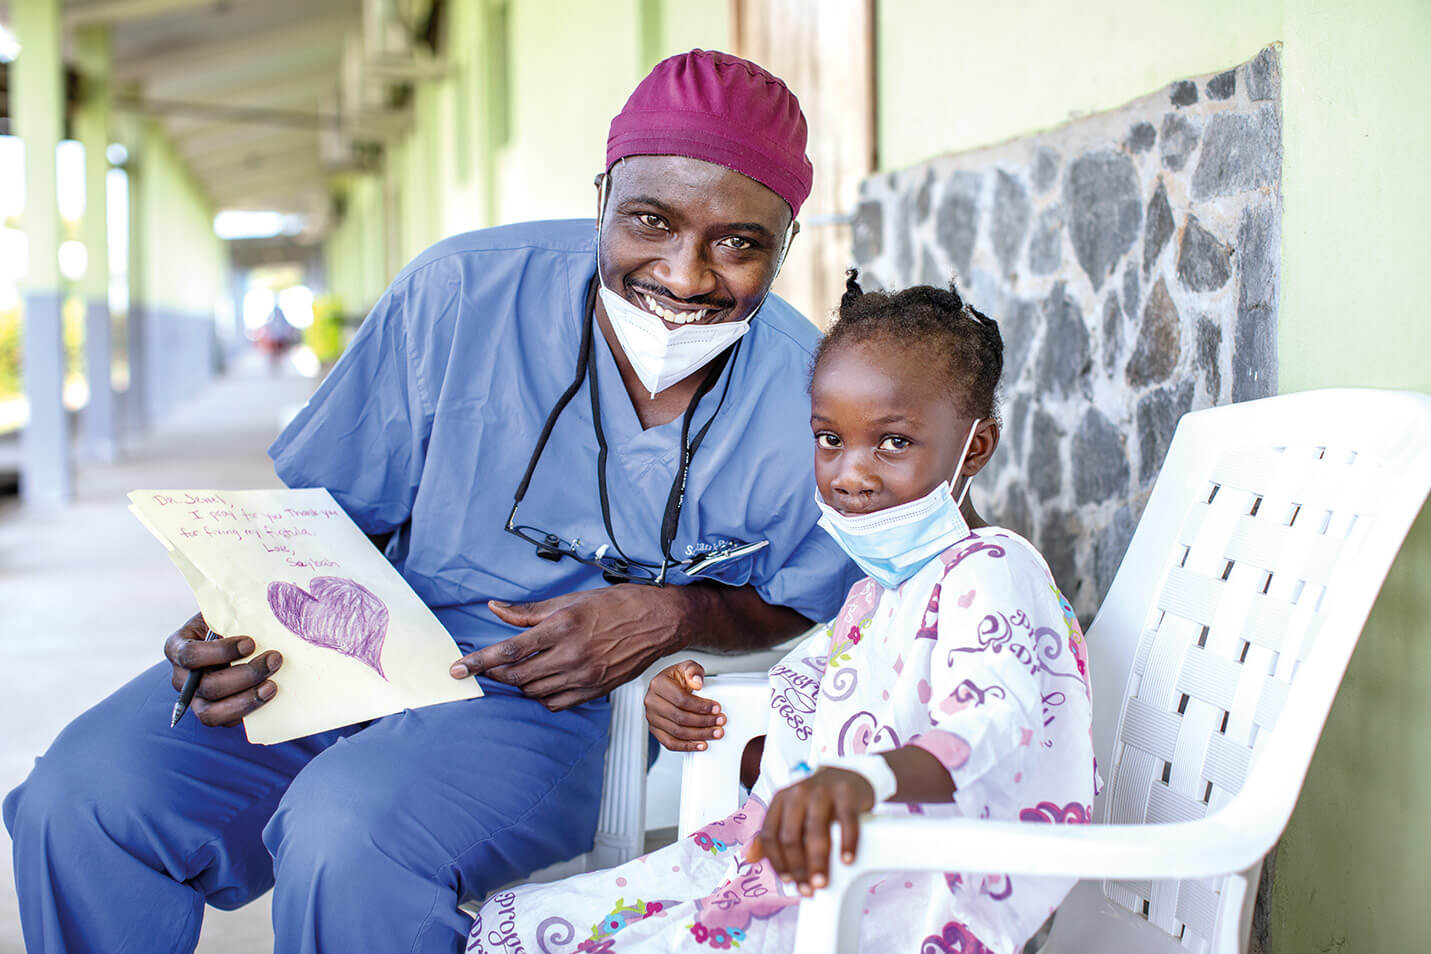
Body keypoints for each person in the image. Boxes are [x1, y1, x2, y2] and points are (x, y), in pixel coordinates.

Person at [3, 51, 861, 954]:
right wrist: (232, 616)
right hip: (348, 638)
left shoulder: (808, 394)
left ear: (786, 240)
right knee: (85, 796)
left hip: (550, 704)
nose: (684, 277)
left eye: (738, 243)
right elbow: (332, 514)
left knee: (349, 833)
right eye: (649, 220)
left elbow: (800, 596)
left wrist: (673, 612)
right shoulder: (460, 293)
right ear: (602, 193)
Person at [468, 272, 1097, 954]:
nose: (849, 474)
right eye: (830, 439)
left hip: (893, 903)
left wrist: (859, 781)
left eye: (892, 442)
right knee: (535, 924)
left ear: (974, 446)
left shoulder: (993, 566)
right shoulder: (876, 596)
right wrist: (699, 715)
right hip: (788, 874)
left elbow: (993, 722)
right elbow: (803, 757)